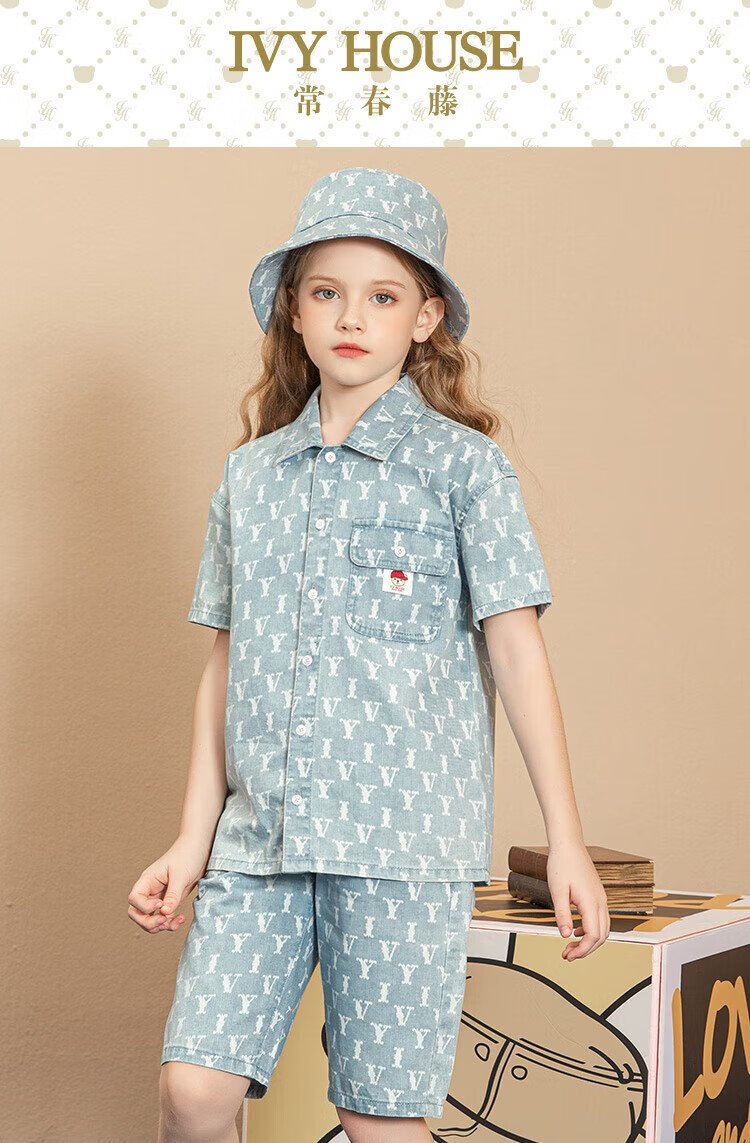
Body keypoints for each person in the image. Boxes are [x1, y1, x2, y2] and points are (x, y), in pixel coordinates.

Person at [127, 166, 610, 1143]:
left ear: (425, 319)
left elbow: (517, 652)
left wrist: (566, 838)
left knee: (379, 1121)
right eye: (327, 291)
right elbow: (225, 666)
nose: (352, 316)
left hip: (403, 852)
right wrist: (192, 837)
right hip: (259, 845)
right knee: (193, 1091)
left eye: (383, 296)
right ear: (293, 310)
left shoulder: (464, 469)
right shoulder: (250, 479)